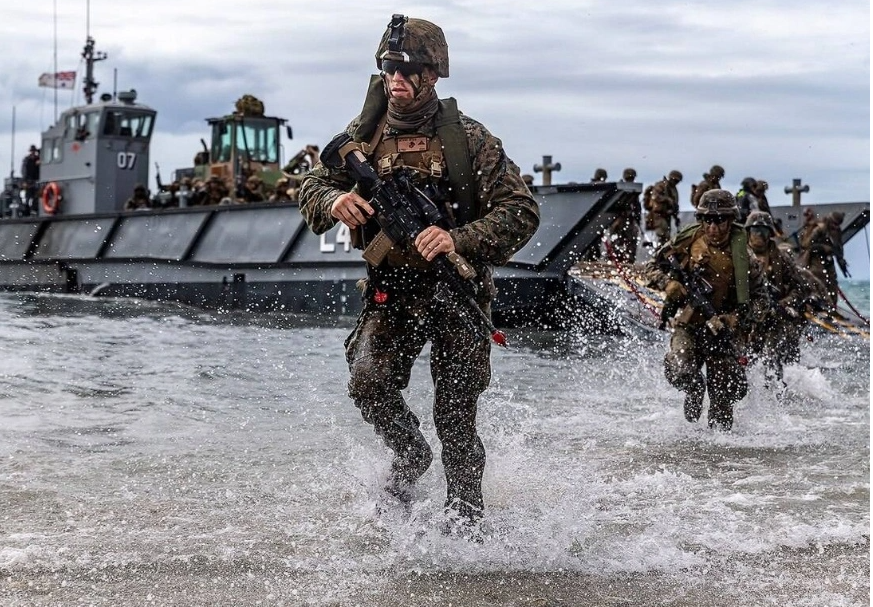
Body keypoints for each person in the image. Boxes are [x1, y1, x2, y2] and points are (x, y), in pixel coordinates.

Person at [298, 15, 539, 531]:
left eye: (407, 70)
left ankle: (467, 525)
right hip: (393, 290)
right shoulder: (362, 139)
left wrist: (459, 238)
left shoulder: (470, 140)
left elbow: (521, 210)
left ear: (434, 76)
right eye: (388, 69)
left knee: (455, 419)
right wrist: (335, 198)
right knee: (368, 384)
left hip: (457, 290)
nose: (396, 80)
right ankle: (409, 455)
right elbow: (311, 189)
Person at [646, 189, 769, 430]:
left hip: (723, 331)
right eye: (707, 220)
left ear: (730, 220)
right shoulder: (686, 242)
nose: (713, 227)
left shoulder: (745, 256)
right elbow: (651, 267)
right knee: (680, 369)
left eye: (719, 220)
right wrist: (668, 284)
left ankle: (719, 456)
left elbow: (762, 301)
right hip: (690, 324)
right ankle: (694, 388)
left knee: (725, 395)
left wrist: (737, 318)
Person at [743, 211, 806, 393]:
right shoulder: (740, 257)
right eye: (756, 230)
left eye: (764, 230)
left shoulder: (781, 259)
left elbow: (799, 288)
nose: (760, 235)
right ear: (748, 232)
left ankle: (776, 397)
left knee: (772, 359)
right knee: (743, 360)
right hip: (746, 317)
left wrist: (784, 303)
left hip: (773, 317)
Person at [797, 211, 842, 308]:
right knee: (818, 279)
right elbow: (806, 244)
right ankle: (818, 304)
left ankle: (832, 306)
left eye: (837, 225)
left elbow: (839, 247)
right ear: (830, 221)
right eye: (834, 224)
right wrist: (822, 247)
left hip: (828, 259)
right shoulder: (820, 229)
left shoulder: (837, 231)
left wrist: (841, 259)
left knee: (832, 282)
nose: (835, 227)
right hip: (815, 258)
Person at [606, 167, 641, 263]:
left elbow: (637, 206)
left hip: (628, 219)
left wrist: (638, 218)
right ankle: (614, 259)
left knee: (631, 240)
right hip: (618, 219)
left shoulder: (634, 190)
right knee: (616, 240)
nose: (631, 180)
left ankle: (628, 260)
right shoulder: (619, 189)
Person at [644, 170, 682, 247]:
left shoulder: (673, 189)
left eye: (677, 181)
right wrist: (667, 199)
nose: (675, 182)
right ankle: (658, 253)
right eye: (674, 180)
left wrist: (675, 216)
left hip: (667, 216)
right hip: (658, 215)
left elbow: (674, 204)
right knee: (661, 236)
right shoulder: (662, 185)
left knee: (666, 238)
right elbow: (655, 196)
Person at [20, 145, 41, 214]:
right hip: (28, 180)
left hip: (36, 180)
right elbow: (24, 171)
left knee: (36, 196)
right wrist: (24, 181)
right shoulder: (27, 160)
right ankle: (26, 210)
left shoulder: (38, 159)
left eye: (34, 151)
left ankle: (34, 209)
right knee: (28, 197)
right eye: (32, 151)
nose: (33, 152)